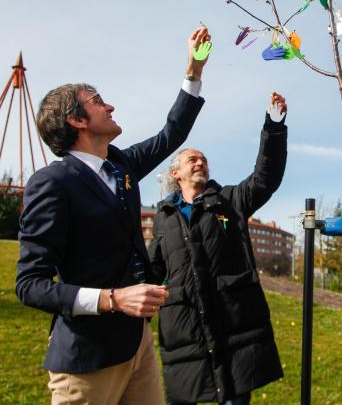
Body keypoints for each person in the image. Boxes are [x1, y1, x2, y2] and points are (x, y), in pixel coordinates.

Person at [15, 26, 211, 405]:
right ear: (77, 121)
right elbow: (30, 284)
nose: (110, 106)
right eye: (98, 100)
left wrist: (194, 70)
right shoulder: (52, 184)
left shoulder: (120, 165)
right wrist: (112, 299)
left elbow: (171, 134)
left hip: (137, 347)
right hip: (87, 362)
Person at [149, 93, 288, 405]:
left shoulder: (229, 202)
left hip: (234, 336)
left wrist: (274, 127)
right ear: (176, 174)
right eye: (192, 160)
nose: (200, 163)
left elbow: (266, 178)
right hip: (185, 340)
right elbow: (151, 271)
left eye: (204, 160)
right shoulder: (164, 218)